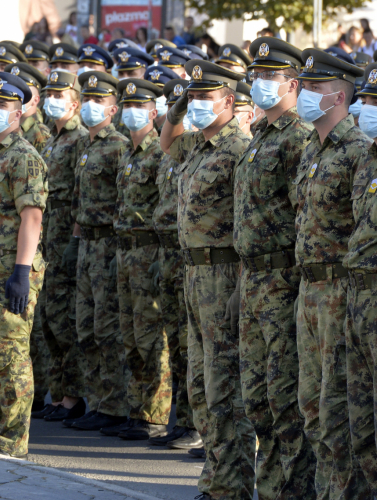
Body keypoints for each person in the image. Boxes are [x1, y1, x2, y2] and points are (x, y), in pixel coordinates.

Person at [161, 60, 255, 500]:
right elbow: (168, 144)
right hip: (195, 273)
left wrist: (240, 284)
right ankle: (215, 479)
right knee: (201, 382)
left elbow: (245, 222)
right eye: (193, 96)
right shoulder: (198, 144)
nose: (197, 105)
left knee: (223, 384)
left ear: (230, 103)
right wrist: (178, 107)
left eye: (204, 98)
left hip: (223, 273)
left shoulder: (239, 148)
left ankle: (232, 483)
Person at [234, 38, 316, 498]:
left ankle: (294, 490)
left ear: (292, 84)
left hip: (283, 281)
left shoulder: (297, 138)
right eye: (257, 76)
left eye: (270, 77)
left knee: (286, 399)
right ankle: (269, 487)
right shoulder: (260, 134)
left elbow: (305, 213)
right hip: (253, 281)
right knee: (258, 398)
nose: (261, 84)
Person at [292, 49, 371, 499]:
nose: (304, 93)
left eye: (314, 87)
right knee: (312, 407)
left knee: (337, 407)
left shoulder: (357, 151)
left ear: (339, 95)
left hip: (342, 289)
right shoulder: (312, 149)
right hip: (309, 289)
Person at [0, 70, 46, 458]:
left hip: (8, 266)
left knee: (12, 354)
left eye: (3, 106)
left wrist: (21, 271)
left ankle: (13, 439)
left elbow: (31, 217)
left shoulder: (24, 158)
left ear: (18, 114)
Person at [65, 70, 131, 434]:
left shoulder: (118, 145)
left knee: (107, 328)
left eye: (99, 102)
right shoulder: (87, 147)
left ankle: (115, 404)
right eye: (86, 100)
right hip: (87, 242)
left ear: (113, 108)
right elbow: (79, 200)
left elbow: (126, 199)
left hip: (108, 243)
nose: (91, 107)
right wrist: (75, 239)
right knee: (85, 327)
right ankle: (98, 399)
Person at [112, 77, 170, 441]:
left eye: (139, 107)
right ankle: (136, 409)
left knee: (151, 333)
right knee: (130, 333)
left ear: (153, 112)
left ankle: (154, 414)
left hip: (148, 247)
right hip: (125, 249)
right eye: (126, 106)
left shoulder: (159, 151)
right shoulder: (129, 154)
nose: (131, 113)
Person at [32, 70, 88, 426]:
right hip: (47, 242)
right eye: (49, 92)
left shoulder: (79, 139)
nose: (53, 99)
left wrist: (74, 241)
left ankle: (72, 396)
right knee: (49, 323)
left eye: (60, 94)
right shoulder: (50, 140)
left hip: (66, 241)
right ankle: (57, 393)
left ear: (75, 102)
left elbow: (81, 197)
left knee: (67, 323)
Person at [148, 78, 198, 450]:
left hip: (200, 262)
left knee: (191, 346)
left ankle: (196, 425)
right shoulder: (187, 146)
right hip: (170, 254)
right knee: (178, 343)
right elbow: (167, 141)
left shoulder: (223, 147)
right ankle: (183, 420)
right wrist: (176, 111)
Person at [346, 62, 377, 491]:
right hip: (358, 296)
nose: (366, 109)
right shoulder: (367, 157)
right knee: (360, 417)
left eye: (374, 102)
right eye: (366, 100)